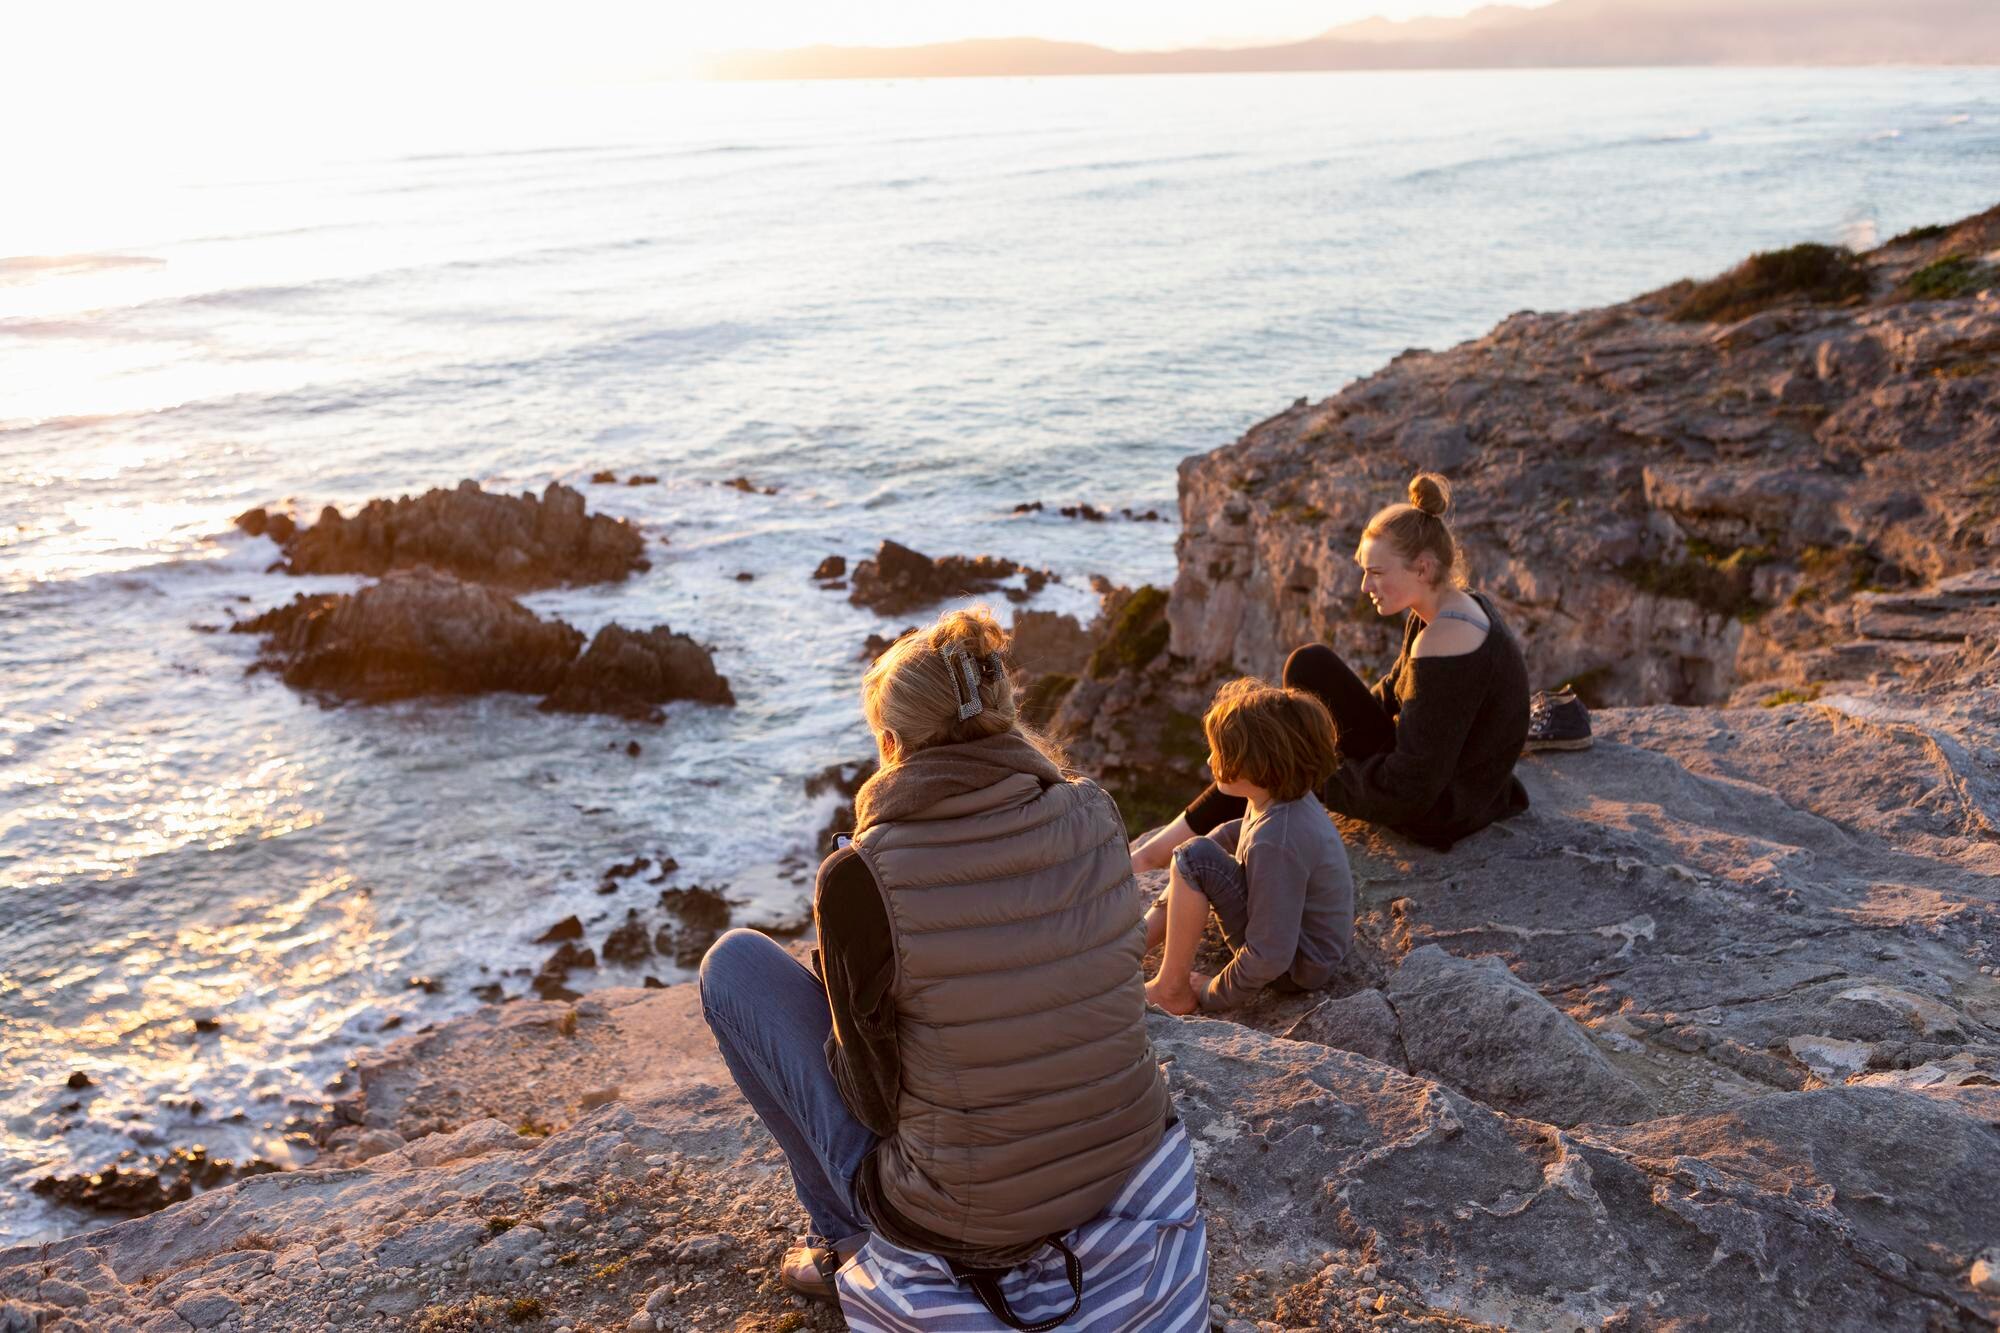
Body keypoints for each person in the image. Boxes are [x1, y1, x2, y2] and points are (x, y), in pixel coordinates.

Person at [698, 605, 1172, 1307]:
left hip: (965, 1216)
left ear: (892, 744)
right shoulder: (1094, 809)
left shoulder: (861, 874)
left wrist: (843, 994)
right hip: (1121, 1165)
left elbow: (871, 1101)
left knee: (731, 963)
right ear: (1003, 713)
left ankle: (848, 1247)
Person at [1133, 471, 1530, 868]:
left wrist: (1306, 774)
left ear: (1423, 568)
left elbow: (1410, 790)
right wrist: (1311, 736)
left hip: (1441, 809)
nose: (1364, 586)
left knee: (1270, 755)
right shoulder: (1448, 607)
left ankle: (1151, 854)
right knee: (1309, 665)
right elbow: (1393, 691)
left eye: (1376, 572)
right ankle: (1159, 848)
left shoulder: (1446, 643)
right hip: (1448, 778)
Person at [1143, 678, 1355, 1016]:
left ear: (1259, 763)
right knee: (1195, 858)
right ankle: (1132, 945)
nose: (1211, 759)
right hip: (1306, 947)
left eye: (1222, 752)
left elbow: (1269, 955)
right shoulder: (1280, 798)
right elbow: (1237, 831)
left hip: (1296, 968)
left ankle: (1171, 990)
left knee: (1193, 858)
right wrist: (1187, 870)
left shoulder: (1278, 838)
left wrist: (1213, 993)